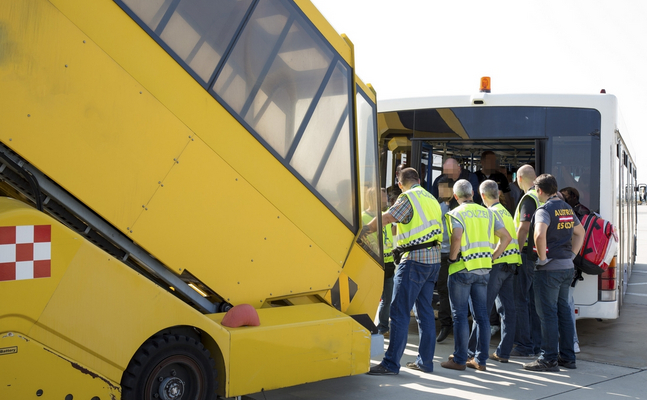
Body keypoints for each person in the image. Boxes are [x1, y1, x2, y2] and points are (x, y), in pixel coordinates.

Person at [363, 168, 443, 375]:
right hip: (433, 261)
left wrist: (366, 229)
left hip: (414, 261)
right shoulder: (431, 199)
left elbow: (388, 217)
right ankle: (425, 362)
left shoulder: (407, 197)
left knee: (399, 313)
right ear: (419, 179)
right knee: (425, 312)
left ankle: (390, 364)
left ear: (400, 184)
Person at [440, 179, 511, 371]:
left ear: (455, 196)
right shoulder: (488, 213)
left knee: (460, 316)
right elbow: (506, 237)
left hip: (462, 269)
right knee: (482, 317)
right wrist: (492, 257)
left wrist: (453, 258)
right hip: (483, 270)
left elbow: (456, 237)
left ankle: (460, 359)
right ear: (473, 193)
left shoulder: (455, 213)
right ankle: (480, 360)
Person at [523, 174, 585, 372]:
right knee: (564, 312)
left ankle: (548, 359)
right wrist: (571, 255)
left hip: (549, 270)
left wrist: (542, 259)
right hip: (567, 267)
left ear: (539, 191)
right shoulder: (567, 208)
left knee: (547, 314)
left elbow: (539, 234)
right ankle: (567, 357)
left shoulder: (544, 209)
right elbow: (580, 232)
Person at [466, 180, 522, 364]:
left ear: (482, 196)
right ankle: (503, 352)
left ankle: (470, 352)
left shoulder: (490, 214)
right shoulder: (506, 212)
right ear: (497, 193)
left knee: (482, 310)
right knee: (507, 310)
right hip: (512, 264)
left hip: (498, 266)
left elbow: (501, 240)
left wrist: (492, 257)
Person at [511, 164, 543, 358]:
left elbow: (523, 228)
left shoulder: (528, 199)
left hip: (524, 256)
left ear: (519, 179)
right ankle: (536, 344)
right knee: (532, 302)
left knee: (520, 301)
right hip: (536, 256)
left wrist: (515, 253)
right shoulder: (540, 198)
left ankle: (524, 345)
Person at [436, 175, 457, 343]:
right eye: (439, 189)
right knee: (443, 290)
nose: (441, 191)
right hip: (442, 254)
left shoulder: (458, 207)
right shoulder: (438, 206)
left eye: (444, 188)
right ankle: (445, 324)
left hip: (456, 254)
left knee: (456, 291)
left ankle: (454, 324)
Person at [375, 189, 397, 337]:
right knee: (371, 297)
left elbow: (394, 231)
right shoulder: (366, 216)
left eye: (387, 197)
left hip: (388, 262)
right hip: (374, 263)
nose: (386, 199)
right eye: (384, 196)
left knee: (387, 298)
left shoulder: (388, 215)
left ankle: (383, 327)